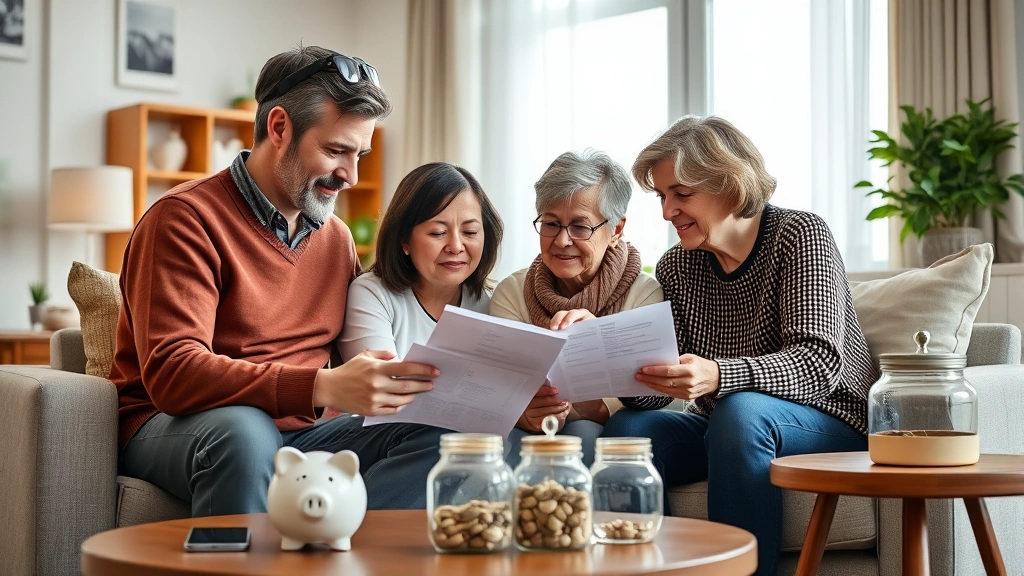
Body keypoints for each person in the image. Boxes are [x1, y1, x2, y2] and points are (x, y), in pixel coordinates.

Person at [111, 45, 451, 516]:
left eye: (360, 155)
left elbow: (357, 352)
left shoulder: (336, 239)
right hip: (175, 423)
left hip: (305, 432)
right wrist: (322, 387)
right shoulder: (185, 219)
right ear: (279, 127)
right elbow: (174, 373)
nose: (350, 175)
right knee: (244, 432)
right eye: (336, 151)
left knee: (445, 432)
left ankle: (354, 552)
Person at [601, 115, 878, 575]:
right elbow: (661, 391)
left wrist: (717, 374)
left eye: (681, 194)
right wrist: (618, 360)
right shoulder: (677, 267)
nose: (667, 212)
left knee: (740, 410)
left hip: (832, 420)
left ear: (729, 185)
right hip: (726, 429)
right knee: (630, 431)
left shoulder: (799, 236)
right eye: (663, 196)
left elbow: (819, 362)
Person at [490, 150, 665, 468]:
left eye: (580, 227)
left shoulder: (644, 296)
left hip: (599, 434)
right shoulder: (512, 293)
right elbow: (501, 387)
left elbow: (662, 400)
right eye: (551, 224)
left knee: (584, 433)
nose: (561, 241)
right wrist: (519, 411)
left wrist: (595, 342)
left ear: (617, 230)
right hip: (525, 433)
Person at [339, 162, 503, 360]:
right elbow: (379, 385)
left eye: (470, 232)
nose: (456, 246)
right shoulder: (373, 294)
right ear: (405, 240)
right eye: (438, 233)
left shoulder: (494, 303)